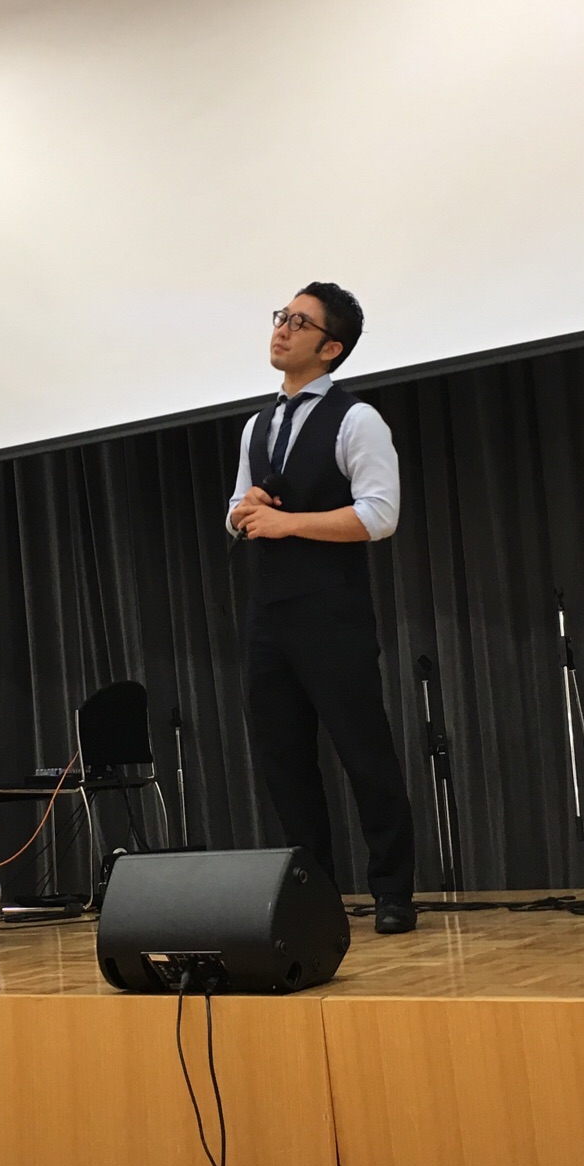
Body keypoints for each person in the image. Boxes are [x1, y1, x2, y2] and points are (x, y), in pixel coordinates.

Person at [227, 284, 418, 933]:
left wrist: (289, 524)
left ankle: (392, 890)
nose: (281, 329)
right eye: (281, 316)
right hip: (268, 614)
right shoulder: (257, 425)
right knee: (283, 759)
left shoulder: (357, 420)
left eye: (299, 322)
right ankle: (317, 894)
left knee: (364, 752)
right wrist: (244, 512)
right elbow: (235, 512)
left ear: (330, 347)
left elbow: (380, 514)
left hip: (333, 610)